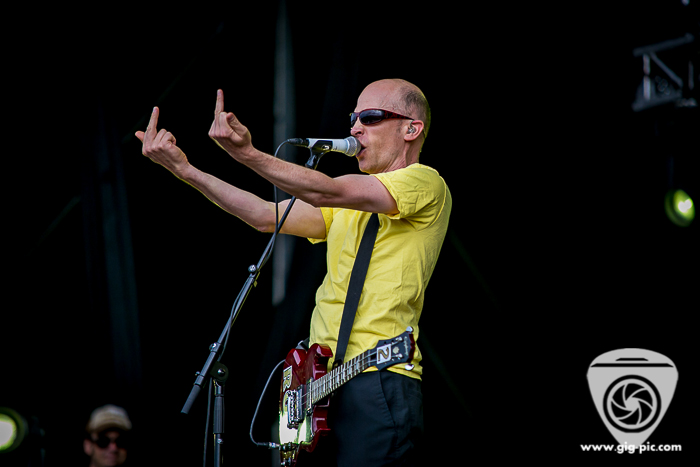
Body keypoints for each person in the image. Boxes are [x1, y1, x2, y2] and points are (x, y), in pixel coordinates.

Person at [136, 78, 451, 466]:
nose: (355, 128)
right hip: (321, 386)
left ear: (411, 129)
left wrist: (248, 154)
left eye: (370, 117)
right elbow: (264, 216)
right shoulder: (348, 205)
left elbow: (327, 190)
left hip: (379, 378)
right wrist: (186, 170)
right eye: (353, 118)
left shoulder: (426, 182)